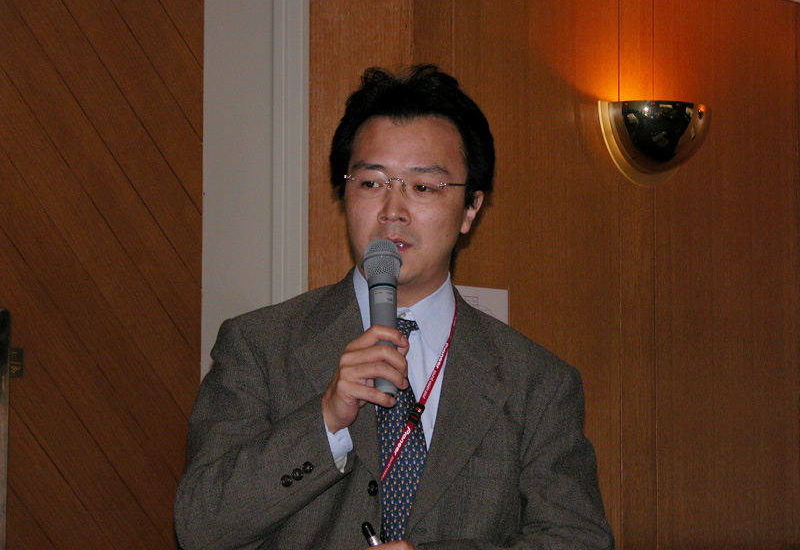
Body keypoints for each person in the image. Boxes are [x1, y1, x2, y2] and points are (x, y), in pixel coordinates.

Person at [174, 65, 614, 550]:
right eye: (371, 183)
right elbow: (200, 527)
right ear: (344, 193)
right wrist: (325, 421)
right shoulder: (259, 346)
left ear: (471, 207)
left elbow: (579, 540)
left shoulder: (536, 383)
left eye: (423, 187)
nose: (392, 211)